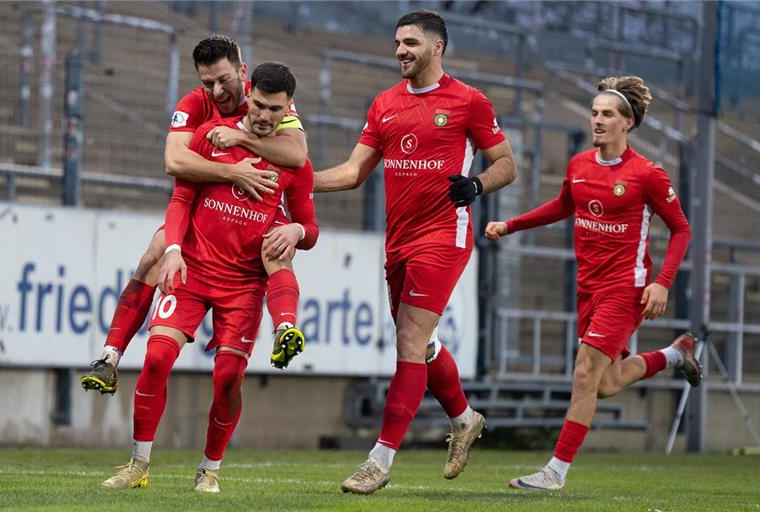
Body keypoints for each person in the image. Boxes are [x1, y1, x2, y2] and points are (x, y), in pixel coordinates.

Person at [313, 11, 517, 494]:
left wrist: (477, 184)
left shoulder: (469, 101)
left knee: (407, 339)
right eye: (397, 43)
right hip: (398, 240)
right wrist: (294, 182)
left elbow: (507, 163)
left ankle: (378, 462)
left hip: (444, 236)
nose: (400, 50)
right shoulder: (384, 103)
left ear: (437, 47)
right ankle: (465, 419)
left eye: (410, 42)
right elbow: (351, 172)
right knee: (421, 346)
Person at [101, 62, 318, 493]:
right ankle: (138, 464)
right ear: (249, 93)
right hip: (194, 269)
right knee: (158, 359)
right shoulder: (209, 136)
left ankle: (209, 469)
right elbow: (181, 198)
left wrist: (296, 229)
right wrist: (176, 251)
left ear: (287, 108)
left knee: (226, 380)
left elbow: (310, 229)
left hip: (243, 285)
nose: (262, 115)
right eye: (257, 104)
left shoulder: (294, 159)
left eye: (273, 110)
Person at [484, 76, 701, 491]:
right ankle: (675, 355)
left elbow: (681, 229)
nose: (598, 120)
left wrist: (662, 283)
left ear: (628, 123)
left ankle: (555, 473)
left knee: (584, 373)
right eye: (595, 112)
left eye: (608, 114)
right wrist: (511, 225)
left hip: (626, 288)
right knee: (606, 383)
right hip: (589, 287)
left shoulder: (647, 174)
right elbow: (564, 205)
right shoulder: (580, 164)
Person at [81, 35, 308, 395]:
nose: (217, 91)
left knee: (278, 247)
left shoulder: (267, 97)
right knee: (156, 252)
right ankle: (110, 358)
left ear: (242, 72)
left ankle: (284, 328)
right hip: (213, 200)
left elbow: (297, 154)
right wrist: (234, 172)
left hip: (265, 201)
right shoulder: (194, 104)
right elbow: (175, 161)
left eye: (224, 80)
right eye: (207, 83)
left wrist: (241, 141)